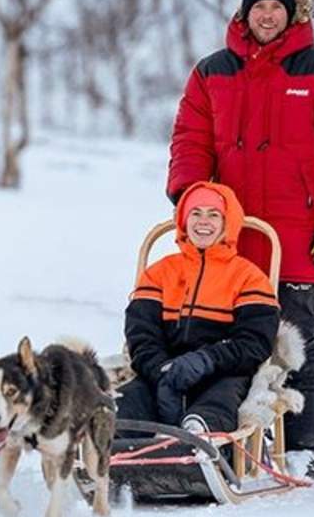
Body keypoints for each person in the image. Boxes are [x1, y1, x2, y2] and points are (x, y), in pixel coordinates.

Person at [165, 0, 314, 480]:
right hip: (228, 238)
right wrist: (188, 195)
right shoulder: (212, 72)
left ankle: (304, 447)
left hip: (301, 237)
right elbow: (190, 138)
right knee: (225, 344)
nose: (266, 15)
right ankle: (232, 444)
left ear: (291, 13)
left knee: (295, 339)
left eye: (275, 8)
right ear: (244, 13)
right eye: (258, 7)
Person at [118, 181, 279, 438]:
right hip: (162, 372)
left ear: (227, 222)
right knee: (127, 401)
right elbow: (141, 333)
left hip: (223, 375)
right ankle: (119, 451)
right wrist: (160, 369)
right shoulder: (159, 273)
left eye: (214, 214)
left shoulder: (248, 277)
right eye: (196, 213)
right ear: (184, 219)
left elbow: (255, 343)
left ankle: (198, 439)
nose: (204, 221)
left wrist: (206, 360)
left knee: (219, 402)